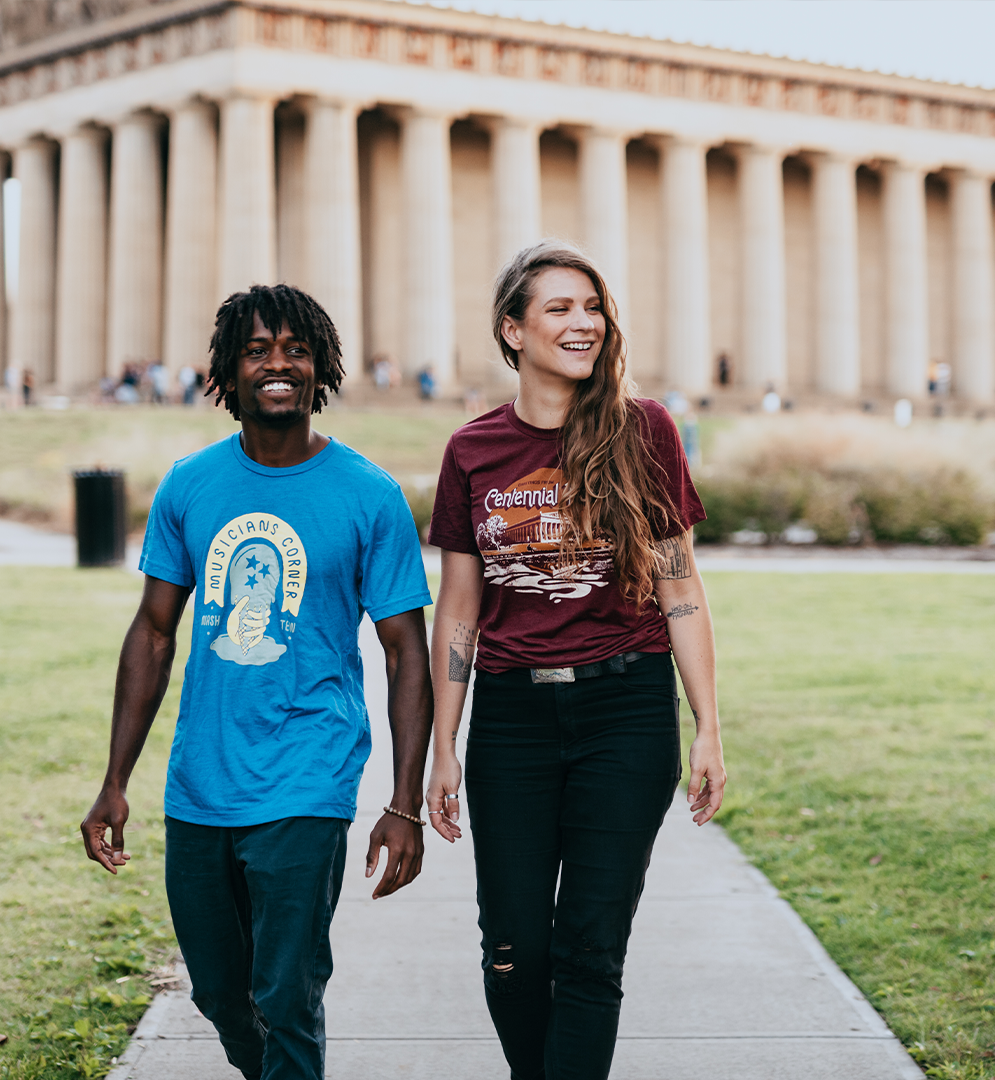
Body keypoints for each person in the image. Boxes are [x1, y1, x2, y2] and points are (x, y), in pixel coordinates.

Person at [81, 284, 434, 1080]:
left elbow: (406, 652)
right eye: (258, 351)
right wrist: (114, 780)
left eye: (296, 351)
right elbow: (153, 631)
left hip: (308, 776)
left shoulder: (368, 494)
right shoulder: (189, 485)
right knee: (218, 992)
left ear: (321, 371)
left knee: (287, 993)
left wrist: (404, 803)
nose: (278, 364)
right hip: (200, 780)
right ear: (227, 375)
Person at [424, 241, 725, 1080]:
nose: (582, 323)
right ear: (512, 331)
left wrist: (707, 728)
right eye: (558, 308)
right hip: (513, 717)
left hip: (624, 710)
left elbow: (680, 587)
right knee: (512, 951)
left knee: (591, 949)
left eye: (591, 307)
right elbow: (458, 609)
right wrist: (444, 746)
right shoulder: (473, 450)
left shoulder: (645, 430)